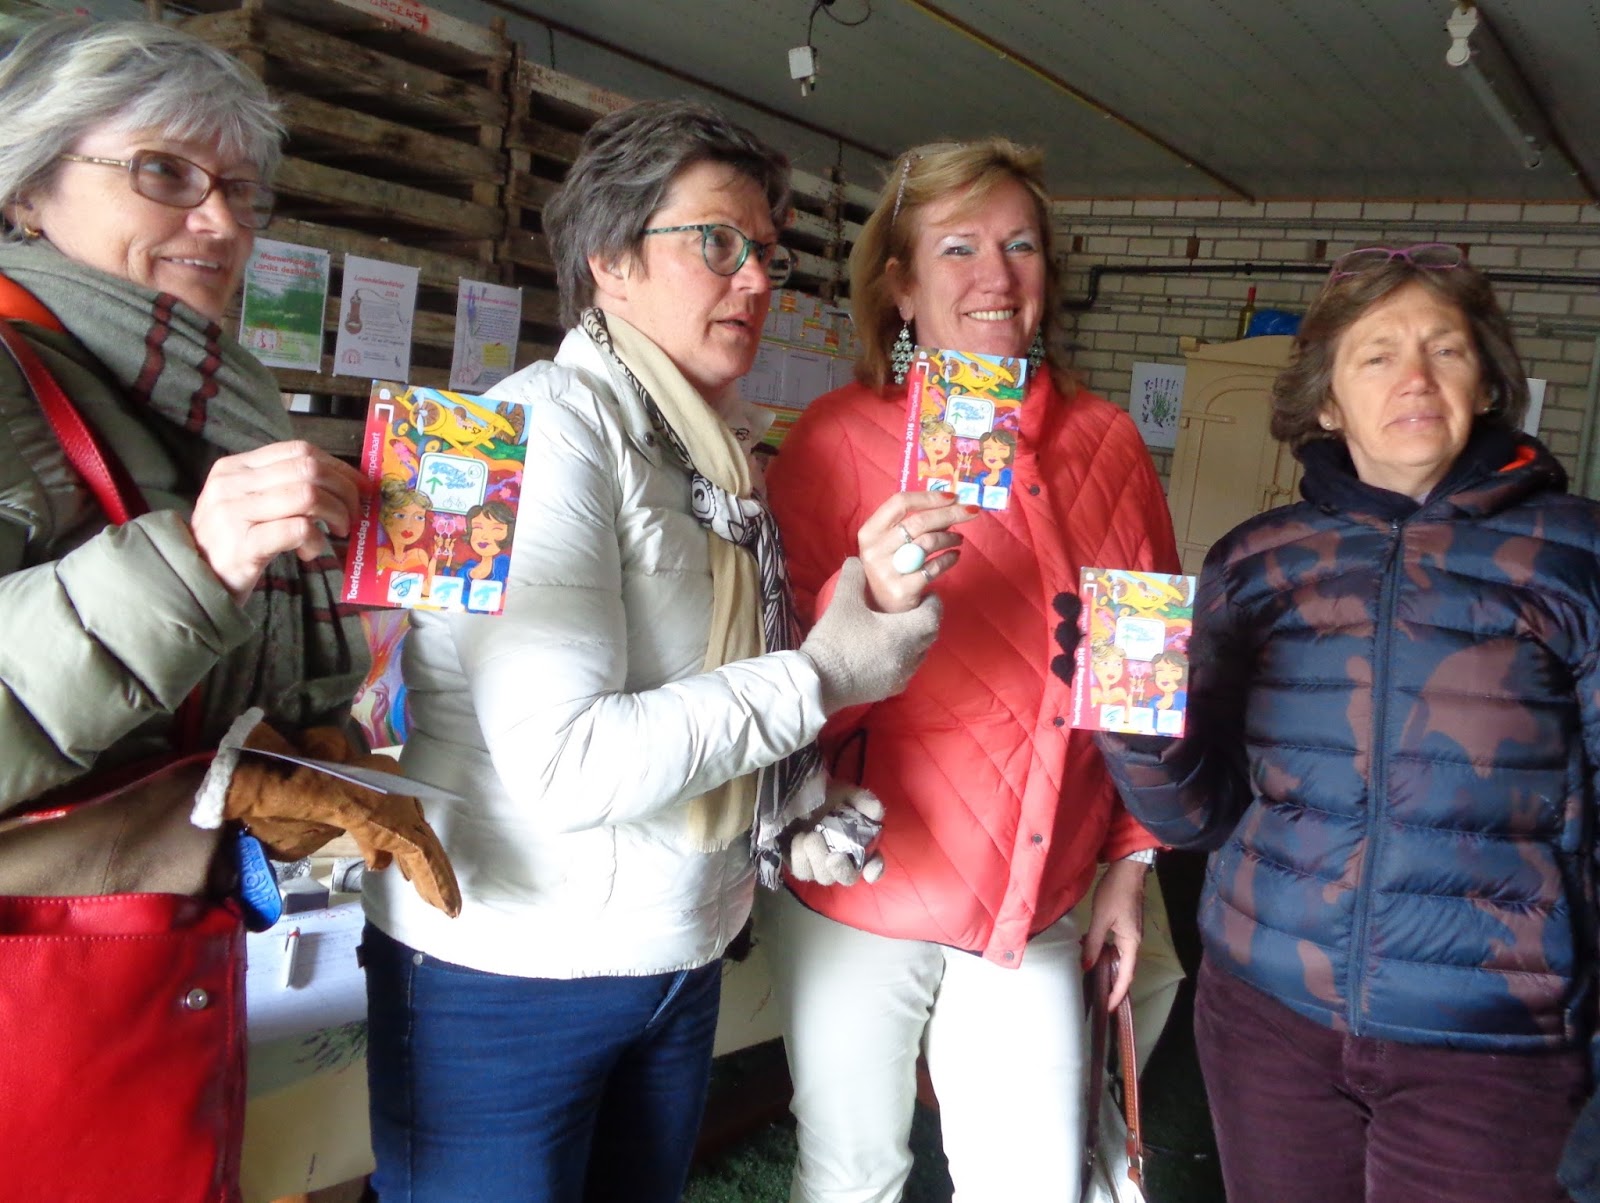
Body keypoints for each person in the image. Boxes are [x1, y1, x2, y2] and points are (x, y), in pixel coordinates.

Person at [358, 99, 942, 1203]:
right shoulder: (548, 430)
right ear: (610, 259)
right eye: (716, 242)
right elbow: (567, 765)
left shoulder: (711, 452)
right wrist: (823, 676)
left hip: (675, 949)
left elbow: (696, 694)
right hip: (510, 972)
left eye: (766, 251)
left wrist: (794, 804)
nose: (756, 279)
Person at [1099, 243, 1599, 1203]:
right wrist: (1133, 725)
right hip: (1268, 1020)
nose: (1414, 378)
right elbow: (1196, 818)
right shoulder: (1255, 561)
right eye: (1377, 355)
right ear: (1326, 401)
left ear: (1488, 384)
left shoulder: (1575, 555)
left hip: (1491, 1045)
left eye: (1445, 349)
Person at [764, 138, 1182, 1203]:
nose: (995, 275)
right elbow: (776, 677)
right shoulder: (834, 438)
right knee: (850, 1175)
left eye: (1020, 245)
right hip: (863, 881)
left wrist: (1130, 868)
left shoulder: (1106, 442)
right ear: (899, 286)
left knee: (1031, 1183)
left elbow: (1142, 675)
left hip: (1034, 894)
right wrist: (871, 598)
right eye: (957, 247)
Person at [0, 15, 370, 1192]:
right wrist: (192, 564)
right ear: (28, 188)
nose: (220, 223)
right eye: (165, 173)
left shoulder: (192, 396)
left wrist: (309, 731)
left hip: (153, 976)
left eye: (242, 191)